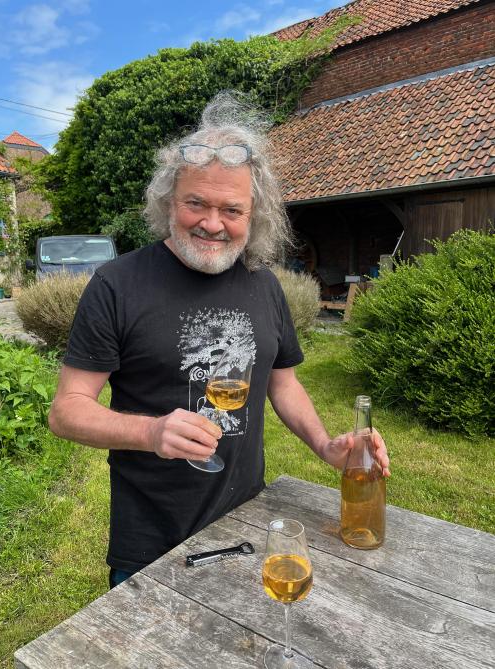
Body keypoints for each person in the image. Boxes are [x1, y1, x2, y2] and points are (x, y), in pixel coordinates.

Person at [49, 93, 390, 589]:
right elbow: (66, 410)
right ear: (169, 201)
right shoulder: (117, 284)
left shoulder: (264, 283)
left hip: (247, 519)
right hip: (152, 534)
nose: (213, 223)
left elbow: (284, 384)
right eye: (196, 203)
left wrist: (325, 445)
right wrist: (150, 433)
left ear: (254, 216)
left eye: (232, 209)